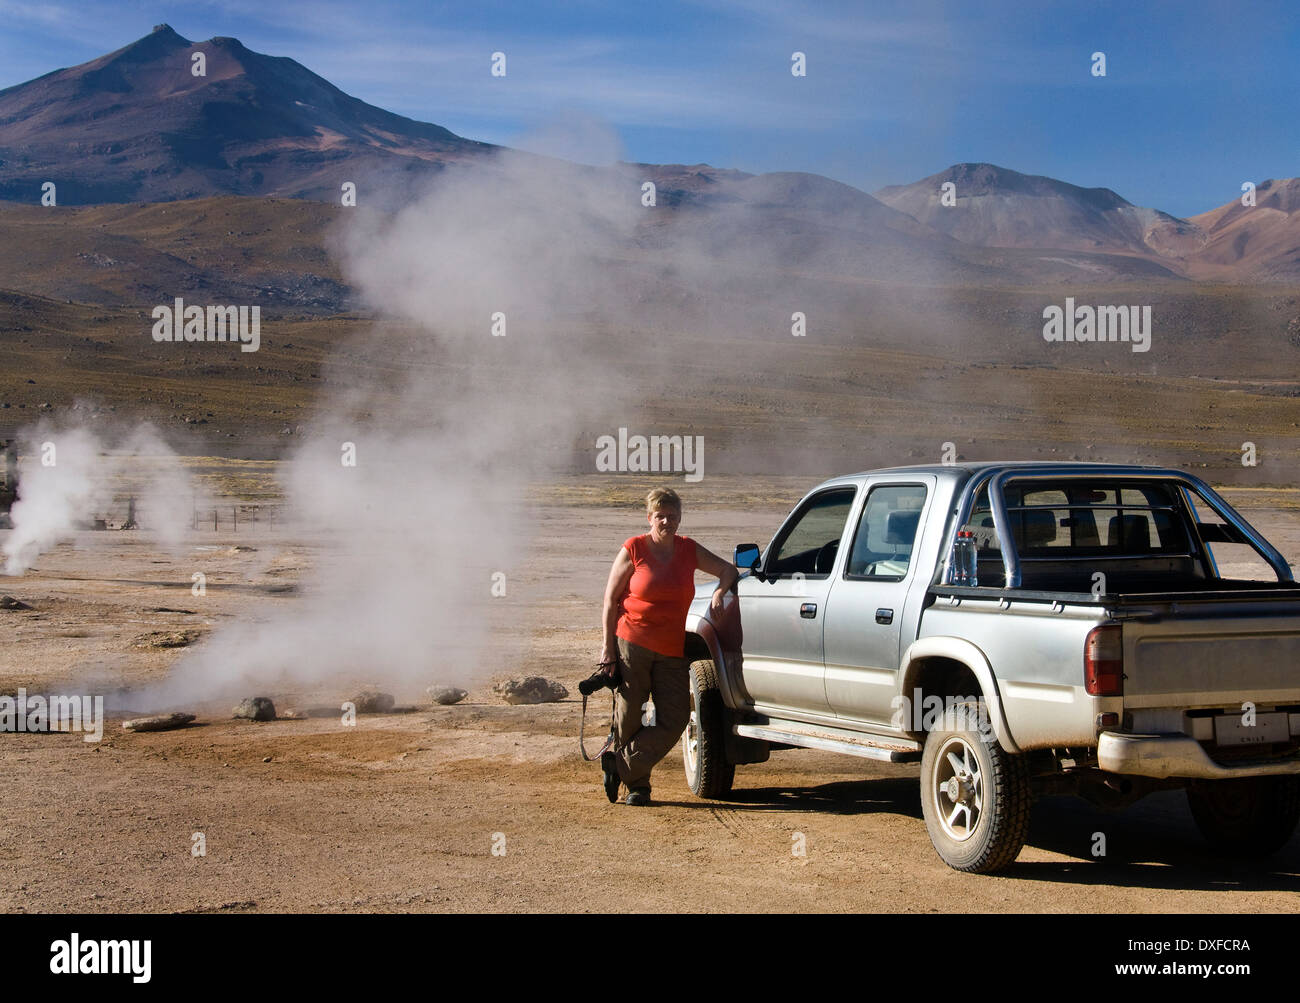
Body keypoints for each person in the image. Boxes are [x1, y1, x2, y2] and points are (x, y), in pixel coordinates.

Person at [598, 487, 737, 805]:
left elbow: (728, 570)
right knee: (630, 715)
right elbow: (609, 600)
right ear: (650, 517)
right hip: (631, 644)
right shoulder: (634, 548)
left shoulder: (688, 549)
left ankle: (619, 764)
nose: (667, 522)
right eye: (660, 516)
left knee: (674, 719)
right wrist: (608, 649)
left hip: (672, 648)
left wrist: (719, 592)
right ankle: (638, 786)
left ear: (680, 518)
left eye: (673, 516)